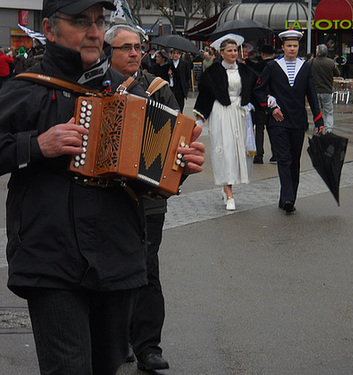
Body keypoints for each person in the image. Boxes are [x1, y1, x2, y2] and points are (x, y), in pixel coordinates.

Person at [0, 1, 204, 374]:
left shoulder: (127, 95)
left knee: (106, 366)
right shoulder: (26, 90)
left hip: (117, 256)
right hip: (51, 258)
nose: (94, 32)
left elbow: (142, 180)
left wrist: (179, 167)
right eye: (80, 22)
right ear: (49, 29)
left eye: (98, 21)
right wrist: (36, 146)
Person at [105, 24, 180, 372]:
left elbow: (178, 137)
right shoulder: (95, 86)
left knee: (146, 270)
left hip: (148, 199)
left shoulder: (158, 89)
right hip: (105, 197)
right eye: (125, 48)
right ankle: (117, 341)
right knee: (108, 270)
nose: (134, 53)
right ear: (110, 52)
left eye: (137, 47)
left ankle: (147, 345)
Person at [254, 29, 324, 213]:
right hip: (278, 121)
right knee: (284, 159)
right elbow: (259, 90)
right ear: (283, 47)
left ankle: (287, 195)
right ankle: (288, 199)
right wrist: (271, 107)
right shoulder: (272, 66)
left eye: (295, 46)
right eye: (289, 46)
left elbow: (312, 94)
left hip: (298, 121)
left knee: (294, 161)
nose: (292, 49)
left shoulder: (306, 67)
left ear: (298, 47)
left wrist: (319, 120)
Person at [194, 34, 258, 211]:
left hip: (240, 113)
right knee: (225, 149)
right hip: (221, 112)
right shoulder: (212, 73)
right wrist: (200, 118)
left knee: (238, 151)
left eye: (235, 50)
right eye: (229, 50)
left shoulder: (246, 71)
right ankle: (229, 192)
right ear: (221, 53)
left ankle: (227, 186)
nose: (233, 53)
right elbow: (205, 96)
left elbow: (256, 90)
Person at [252, 44, 276, 164]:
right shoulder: (277, 65)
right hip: (274, 102)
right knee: (272, 128)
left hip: (259, 102)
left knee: (259, 128)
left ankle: (259, 155)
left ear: (262, 54)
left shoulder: (258, 66)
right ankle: (275, 153)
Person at [310, 43, 340, 134]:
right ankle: (329, 129)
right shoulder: (331, 62)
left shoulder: (311, 62)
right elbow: (337, 73)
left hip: (315, 91)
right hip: (327, 90)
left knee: (316, 111)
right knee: (329, 112)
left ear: (317, 52)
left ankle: (317, 128)